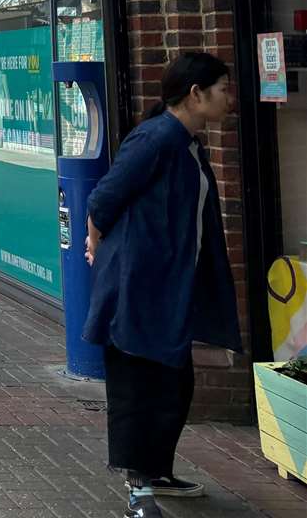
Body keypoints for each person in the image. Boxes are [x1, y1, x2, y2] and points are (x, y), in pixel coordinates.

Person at [83, 52, 241, 518]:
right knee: (140, 388)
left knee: (174, 386)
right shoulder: (155, 139)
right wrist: (98, 254)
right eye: (223, 89)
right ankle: (140, 488)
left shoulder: (186, 143)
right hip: (138, 289)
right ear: (196, 94)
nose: (229, 99)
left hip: (168, 287)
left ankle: (158, 472)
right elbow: (101, 200)